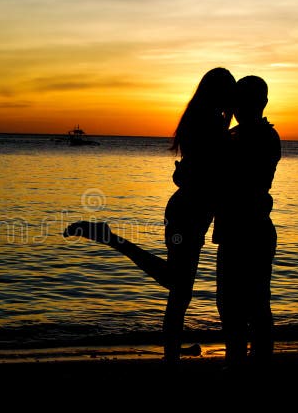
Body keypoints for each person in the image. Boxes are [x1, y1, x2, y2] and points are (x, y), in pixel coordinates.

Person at [63, 67, 235, 363]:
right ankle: (111, 239)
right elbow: (212, 172)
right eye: (229, 94)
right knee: (179, 289)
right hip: (189, 213)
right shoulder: (211, 125)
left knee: (179, 291)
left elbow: (197, 171)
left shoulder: (201, 121)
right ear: (220, 95)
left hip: (188, 210)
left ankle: (172, 351)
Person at [213, 75, 280, 366]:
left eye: (246, 101)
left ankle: (249, 361)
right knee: (233, 305)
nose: (239, 108)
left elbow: (235, 176)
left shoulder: (259, 136)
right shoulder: (238, 136)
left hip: (249, 229)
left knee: (250, 305)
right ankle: (240, 358)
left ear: (263, 103)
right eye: (237, 102)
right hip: (236, 228)